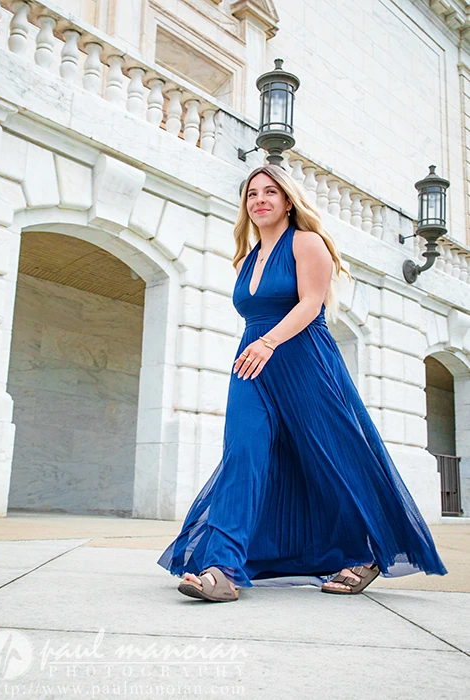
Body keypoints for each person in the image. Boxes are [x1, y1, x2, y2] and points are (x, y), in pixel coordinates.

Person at [157, 164, 448, 602]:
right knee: (244, 454)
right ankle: (224, 567)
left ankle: (368, 551)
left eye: (270, 192)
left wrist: (270, 342)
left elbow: (312, 304)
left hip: (303, 359)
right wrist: (261, 346)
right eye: (252, 193)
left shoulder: (307, 242)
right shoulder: (246, 257)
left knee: (335, 454)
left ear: (288, 200)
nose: (260, 200)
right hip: (252, 364)